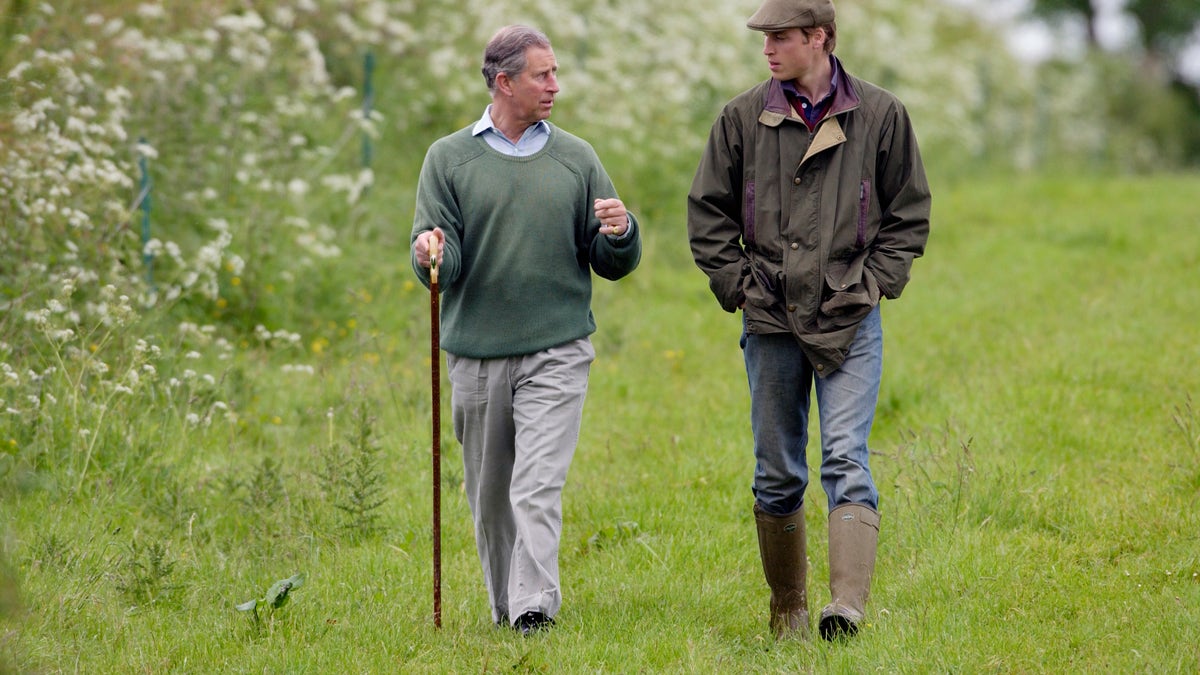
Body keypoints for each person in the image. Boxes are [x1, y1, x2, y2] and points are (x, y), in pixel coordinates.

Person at [687, 0, 931, 641]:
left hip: (851, 315)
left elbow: (908, 215)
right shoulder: (741, 118)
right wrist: (740, 287)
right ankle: (788, 610)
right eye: (764, 37)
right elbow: (707, 215)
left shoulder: (880, 115)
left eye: (781, 36)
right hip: (769, 318)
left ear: (819, 38)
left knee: (847, 458)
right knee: (776, 468)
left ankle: (845, 609)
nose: (767, 48)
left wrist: (876, 284)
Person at [410, 24, 642, 636]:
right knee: (490, 499)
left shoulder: (577, 158)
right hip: (477, 354)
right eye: (543, 75)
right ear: (503, 82)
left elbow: (609, 261)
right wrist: (429, 252)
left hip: (557, 349)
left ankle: (534, 608)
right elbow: (444, 262)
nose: (555, 86)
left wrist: (620, 233)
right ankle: (504, 607)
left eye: (556, 73)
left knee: (536, 484)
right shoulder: (448, 159)